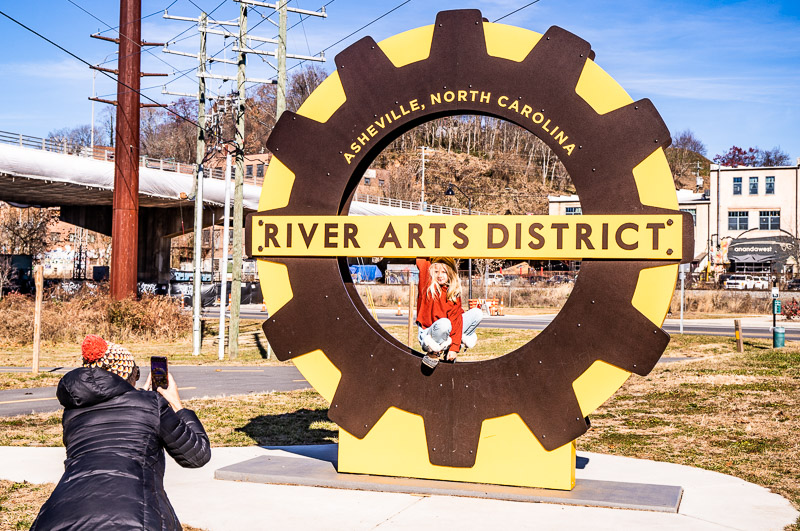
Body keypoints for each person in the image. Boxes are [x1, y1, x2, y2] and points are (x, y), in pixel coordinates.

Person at [31, 335, 211, 531]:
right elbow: (196, 456)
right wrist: (176, 403)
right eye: (136, 372)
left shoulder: (73, 414)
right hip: (132, 519)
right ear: (127, 375)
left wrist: (141, 398)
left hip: (56, 518)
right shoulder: (151, 404)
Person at [416, 257, 482, 369]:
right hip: (429, 333)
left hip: (447, 331)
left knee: (477, 313)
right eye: (436, 272)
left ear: (450, 273)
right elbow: (423, 259)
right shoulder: (427, 286)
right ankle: (433, 353)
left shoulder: (453, 293)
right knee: (444, 323)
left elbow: (456, 321)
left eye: (444, 272)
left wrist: (454, 348)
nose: (440, 275)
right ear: (431, 272)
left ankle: (450, 346)